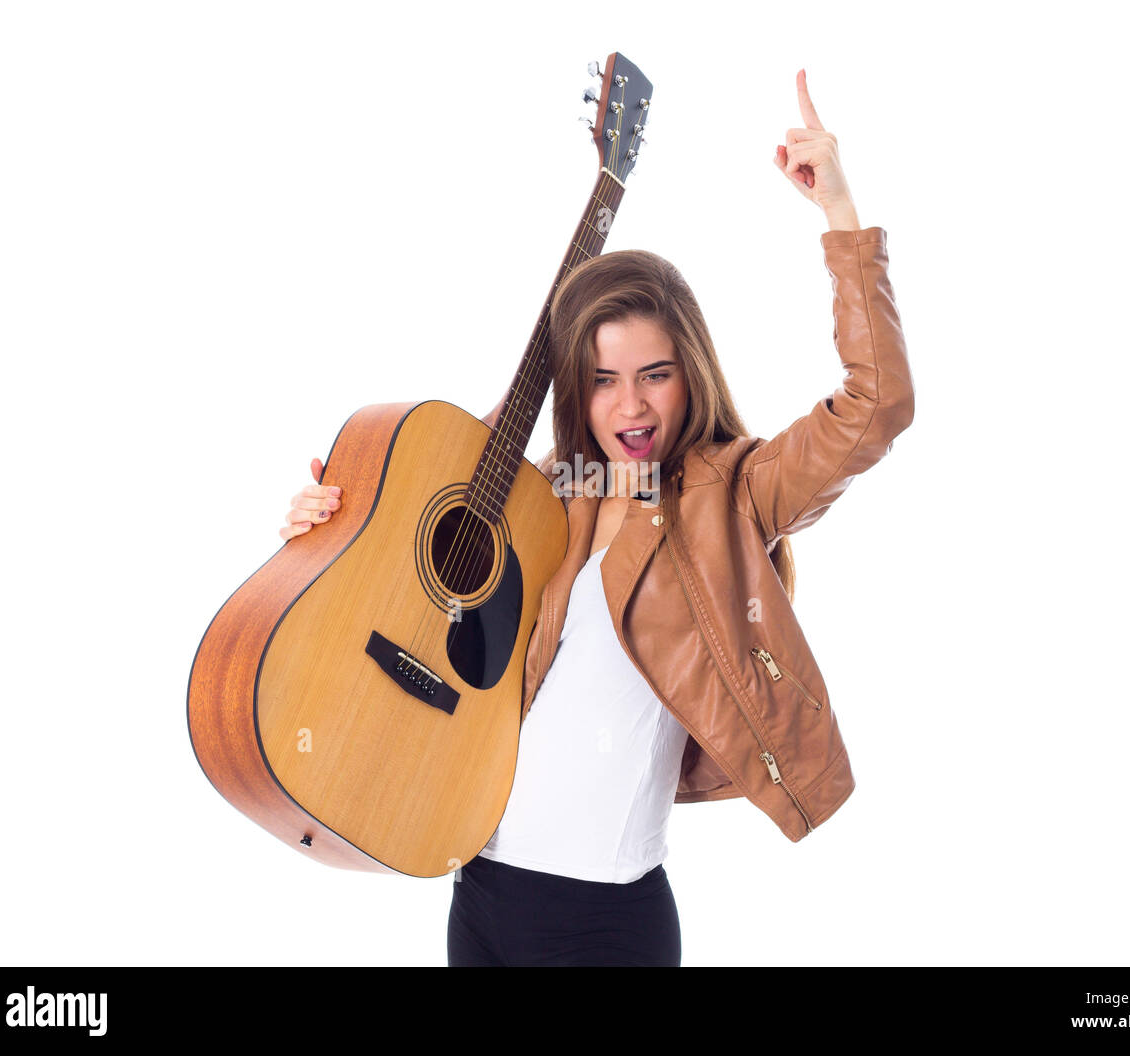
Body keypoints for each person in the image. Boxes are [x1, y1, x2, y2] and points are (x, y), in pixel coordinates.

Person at [278, 70, 914, 966]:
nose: (631, 405)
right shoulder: (550, 500)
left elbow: (875, 407)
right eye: (605, 378)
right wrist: (329, 525)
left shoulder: (733, 496)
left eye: (655, 372)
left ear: (690, 371)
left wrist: (840, 214)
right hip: (481, 891)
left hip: (608, 920)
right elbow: (414, 601)